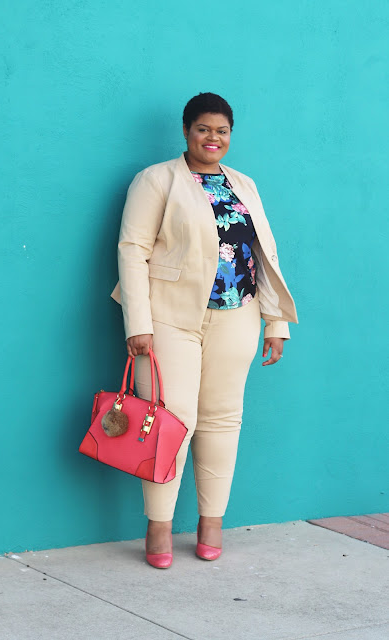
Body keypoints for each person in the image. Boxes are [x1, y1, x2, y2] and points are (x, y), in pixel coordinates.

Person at [110, 92, 298, 568]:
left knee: (222, 420)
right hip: (169, 318)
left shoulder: (244, 184)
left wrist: (275, 321)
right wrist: (138, 323)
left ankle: (211, 522)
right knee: (171, 420)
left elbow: (263, 254)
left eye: (222, 131)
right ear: (186, 131)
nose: (213, 138)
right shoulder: (156, 180)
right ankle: (159, 526)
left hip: (238, 317)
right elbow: (132, 250)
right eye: (203, 129)